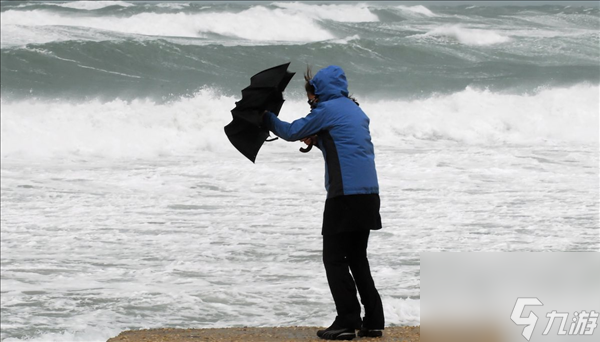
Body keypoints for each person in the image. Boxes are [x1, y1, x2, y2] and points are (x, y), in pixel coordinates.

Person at [262, 65, 385, 340]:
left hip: (345, 195)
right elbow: (345, 144)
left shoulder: (326, 110)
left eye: (310, 98)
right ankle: (374, 321)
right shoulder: (354, 110)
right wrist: (319, 141)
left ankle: (346, 321)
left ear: (318, 92)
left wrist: (266, 117)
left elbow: (292, 131)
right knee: (357, 258)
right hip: (368, 194)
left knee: (333, 258)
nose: (310, 103)